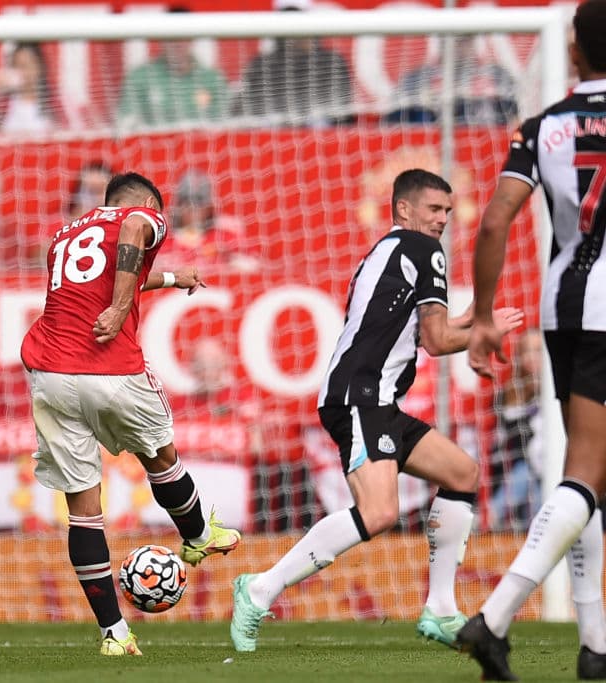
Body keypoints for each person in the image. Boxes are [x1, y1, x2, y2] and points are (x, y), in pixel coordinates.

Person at [229, 169, 523, 653]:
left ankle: (442, 608)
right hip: (360, 396)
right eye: (434, 209)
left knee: (461, 473)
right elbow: (436, 340)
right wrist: (484, 333)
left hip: (375, 398)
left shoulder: (386, 250)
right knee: (380, 511)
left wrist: (467, 322)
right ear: (404, 209)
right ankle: (261, 589)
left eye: (449, 211)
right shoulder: (422, 249)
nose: (443, 219)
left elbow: (412, 328)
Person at [20, 172, 242, 656]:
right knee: (161, 454)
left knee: (84, 511)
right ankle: (200, 535)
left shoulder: (67, 233)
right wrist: (122, 307)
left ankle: (115, 635)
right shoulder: (142, 214)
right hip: (108, 369)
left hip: (49, 372)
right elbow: (133, 236)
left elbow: (100, 277)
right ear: (145, 202)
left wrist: (167, 278)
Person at [459, 2, 606, 679]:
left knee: (590, 467)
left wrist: (484, 315)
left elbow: (495, 223)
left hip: (563, 304)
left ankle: (595, 641)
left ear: (574, 51)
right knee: (586, 472)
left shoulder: (542, 127)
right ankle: (492, 619)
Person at [231, 0, 354, 127]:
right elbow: (241, 112)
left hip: (322, 137)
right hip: (274, 136)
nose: (292, 30)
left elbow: (343, 114)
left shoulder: (331, 62)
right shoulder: (261, 65)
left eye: (298, 19)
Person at [115, 8, 228, 129]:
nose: (177, 43)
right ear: (161, 38)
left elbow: (225, 124)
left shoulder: (212, 79)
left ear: (193, 37)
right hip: (153, 146)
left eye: (183, 35)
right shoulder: (139, 77)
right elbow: (125, 123)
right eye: (172, 36)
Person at [385, 36, 517, 126]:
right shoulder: (416, 79)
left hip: (483, 150)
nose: (459, 45)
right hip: (427, 150)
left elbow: (514, 120)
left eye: (465, 39)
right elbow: (393, 122)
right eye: (454, 39)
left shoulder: (497, 76)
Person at [487, 328, 543, 531]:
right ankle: (489, 522)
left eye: (538, 351)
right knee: (523, 476)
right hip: (522, 466)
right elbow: (507, 440)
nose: (533, 358)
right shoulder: (509, 394)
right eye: (527, 351)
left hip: (551, 466)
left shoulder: (559, 391)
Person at [154, 169, 258, 273]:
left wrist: (232, 260)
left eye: (199, 202)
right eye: (186, 202)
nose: (192, 208)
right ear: (177, 205)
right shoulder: (160, 236)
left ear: (209, 206)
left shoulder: (227, 234)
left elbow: (253, 266)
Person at [0, 42, 66, 134]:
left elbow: (67, 128)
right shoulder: (4, 101)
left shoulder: (53, 101)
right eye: (17, 66)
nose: (22, 71)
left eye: (26, 66)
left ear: (40, 67)